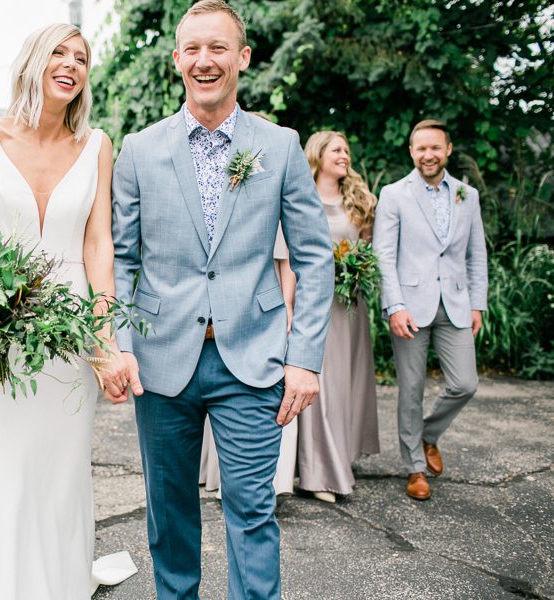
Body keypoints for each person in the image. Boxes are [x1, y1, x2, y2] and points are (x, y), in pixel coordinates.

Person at [111, 1, 335, 597]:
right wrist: (119, 345)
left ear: (243, 58)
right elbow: (120, 259)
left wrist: (305, 358)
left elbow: (314, 256)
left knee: (253, 515)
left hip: (254, 359)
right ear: (177, 58)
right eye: (192, 49)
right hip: (161, 364)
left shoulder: (281, 145)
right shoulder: (139, 150)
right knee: (169, 518)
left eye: (218, 48)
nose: (204, 61)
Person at [0, 23, 136, 599]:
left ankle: (59, 583)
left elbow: (98, 245)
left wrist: (103, 340)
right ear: (32, 62)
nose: (71, 64)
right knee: (5, 463)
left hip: (68, 332)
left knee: (60, 465)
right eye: (58, 52)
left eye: (80, 57)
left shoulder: (98, 145)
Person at [373, 119, 488, 501]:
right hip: (409, 308)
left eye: (435, 148)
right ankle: (414, 468)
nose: (428, 155)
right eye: (421, 148)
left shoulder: (466, 196)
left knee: (464, 384)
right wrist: (395, 305)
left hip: (455, 305)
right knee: (411, 389)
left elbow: (477, 255)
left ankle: (427, 435)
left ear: (448, 150)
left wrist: (477, 305)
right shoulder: (394, 194)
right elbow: (384, 256)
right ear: (411, 152)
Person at [296, 131, 380, 503]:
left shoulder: (359, 201)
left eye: (347, 150)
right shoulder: (300, 195)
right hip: (313, 302)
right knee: (321, 382)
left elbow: (367, 247)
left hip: (349, 303)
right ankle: (318, 472)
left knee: (347, 381)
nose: (344, 156)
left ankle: (341, 455)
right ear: (318, 154)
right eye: (337, 150)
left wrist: (357, 266)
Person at [200, 228, 297, 497]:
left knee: (271, 404)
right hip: (208, 311)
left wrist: (287, 303)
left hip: (264, 314)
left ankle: (273, 484)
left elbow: (290, 254)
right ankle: (222, 480)